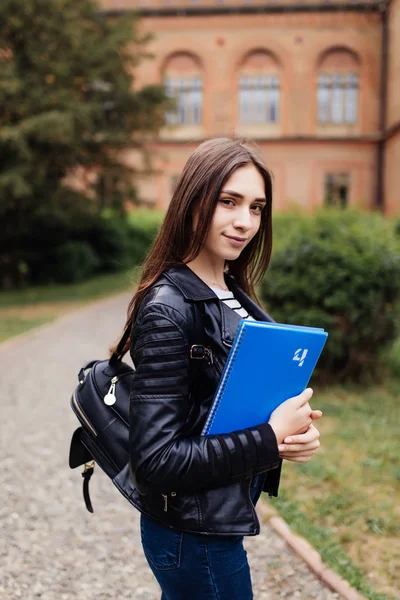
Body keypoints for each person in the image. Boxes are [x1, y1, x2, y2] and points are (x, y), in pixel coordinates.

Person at [111, 137, 322, 600]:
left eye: (257, 207)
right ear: (193, 202)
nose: (245, 221)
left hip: (213, 519)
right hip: (191, 534)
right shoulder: (167, 308)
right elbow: (155, 462)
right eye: (229, 201)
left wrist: (287, 434)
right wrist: (268, 438)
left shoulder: (232, 290)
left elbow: (216, 409)